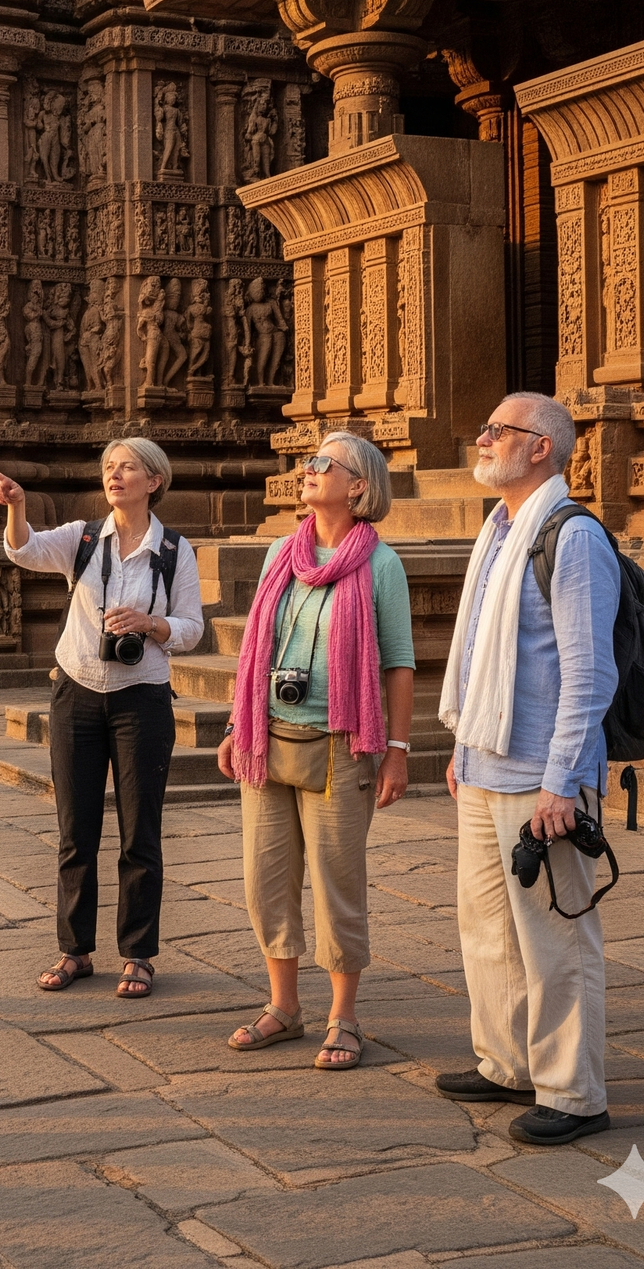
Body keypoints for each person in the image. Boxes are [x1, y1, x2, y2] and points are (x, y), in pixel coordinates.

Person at [434, 392, 619, 1145]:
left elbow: (589, 673)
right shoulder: (501, 529)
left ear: (539, 447)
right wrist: (461, 747)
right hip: (484, 760)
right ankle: (507, 1060)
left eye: (496, 431)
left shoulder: (570, 538)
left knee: (554, 936)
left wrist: (561, 781)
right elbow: (482, 652)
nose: (480, 439)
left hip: (542, 774)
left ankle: (574, 1091)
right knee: (486, 928)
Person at [217, 432, 415, 1069]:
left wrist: (397, 750)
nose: (308, 470)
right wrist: (233, 726)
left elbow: (400, 666)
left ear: (358, 486)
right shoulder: (281, 551)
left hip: (339, 743)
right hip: (266, 736)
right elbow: (256, 650)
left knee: (337, 885)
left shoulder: (379, 565)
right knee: (265, 880)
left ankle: (343, 1015)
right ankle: (284, 1007)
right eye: (308, 461)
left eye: (322, 463)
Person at [0, 439, 205, 999]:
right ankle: (74, 950)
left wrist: (150, 624)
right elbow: (24, 550)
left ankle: (137, 954)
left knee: (141, 833)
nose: (115, 474)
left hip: (143, 698)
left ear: (154, 480)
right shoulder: (83, 537)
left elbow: (192, 627)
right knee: (74, 831)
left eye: (128, 467)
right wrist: (16, 507)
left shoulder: (176, 549)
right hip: (77, 693)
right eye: (109, 467)